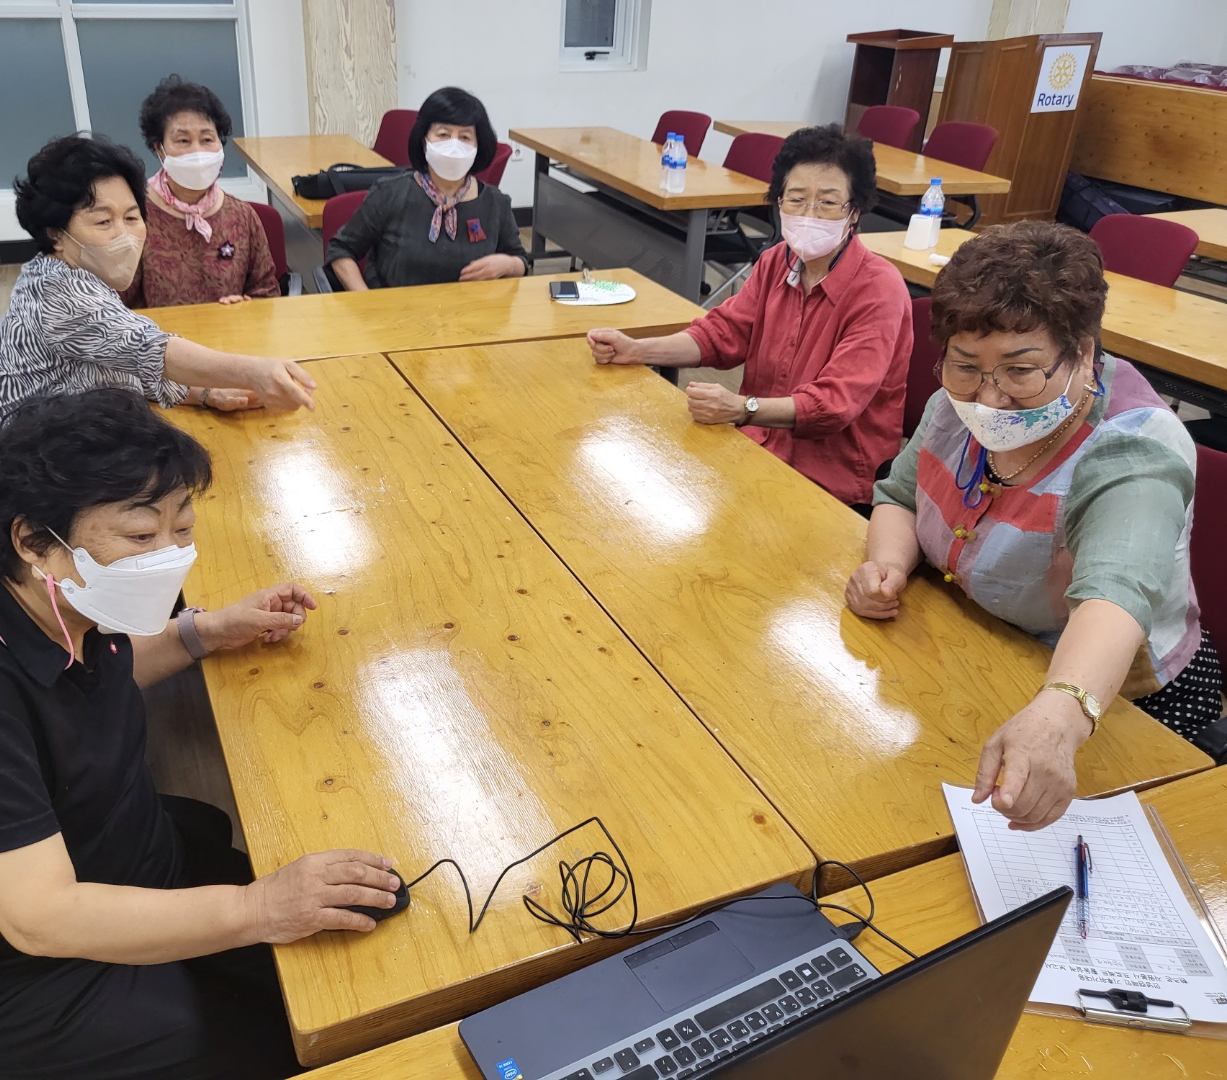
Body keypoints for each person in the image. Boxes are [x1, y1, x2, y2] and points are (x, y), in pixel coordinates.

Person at [0, 390, 398, 1079]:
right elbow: (42, 918)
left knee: (335, 973)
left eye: (182, 528)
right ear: (34, 540)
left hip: (110, 853)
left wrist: (200, 633)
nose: (170, 557)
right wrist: (257, 908)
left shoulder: (50, 597)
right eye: (141, 537)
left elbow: (94, 675)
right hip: (9, 969)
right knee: (275, 1042)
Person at [846, 222, 1218, 832]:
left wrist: (1061, 715)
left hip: (1115, 701)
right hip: (980, 645)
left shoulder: (1133, 448)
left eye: (1020, 372)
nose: (989, 400)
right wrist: (887, 563)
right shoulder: (956, 406)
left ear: (1083, 355)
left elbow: (1116, 593)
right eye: (965, 366)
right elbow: (901, 494)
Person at [0, 134, 315, 537]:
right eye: (103, 221)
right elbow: (149, 348)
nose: (124, 234)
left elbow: (114, 364)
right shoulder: (59, 293)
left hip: (39, 479)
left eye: (132, 218)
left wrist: (205, 393)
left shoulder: (80, 276)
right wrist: (255, 372)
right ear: (55, 233)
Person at [586, 124, 912, 510]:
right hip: (755, 448)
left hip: (830, 481)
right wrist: (637, 350)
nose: (809, 214)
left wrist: (743, 409)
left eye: (827, 203)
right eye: (796, 199)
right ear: (779, 203)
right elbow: (721, 333)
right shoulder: (776, 262)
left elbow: (834, 404)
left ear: (854, 211)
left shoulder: (879, 288)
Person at [325, 86, 528, 290]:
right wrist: (366, 298)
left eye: (465, 137)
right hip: (396, 307)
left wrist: (508, 264)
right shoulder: (390, 193)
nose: (454, 146)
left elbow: (521, 261)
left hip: (470, 308)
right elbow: (341, 249)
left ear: (478, 146)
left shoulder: (496, 203)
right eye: (443, 134)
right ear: (424, 141)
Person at [120, 75, 282, 309]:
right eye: (183, 141)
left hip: (228, 331)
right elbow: (117, 305)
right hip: (158, 333)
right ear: (159, 149)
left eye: (207, 139)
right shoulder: (134, 217)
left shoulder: (242, 216)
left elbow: (266, 292)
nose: (197, 151)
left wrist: (246, 306)